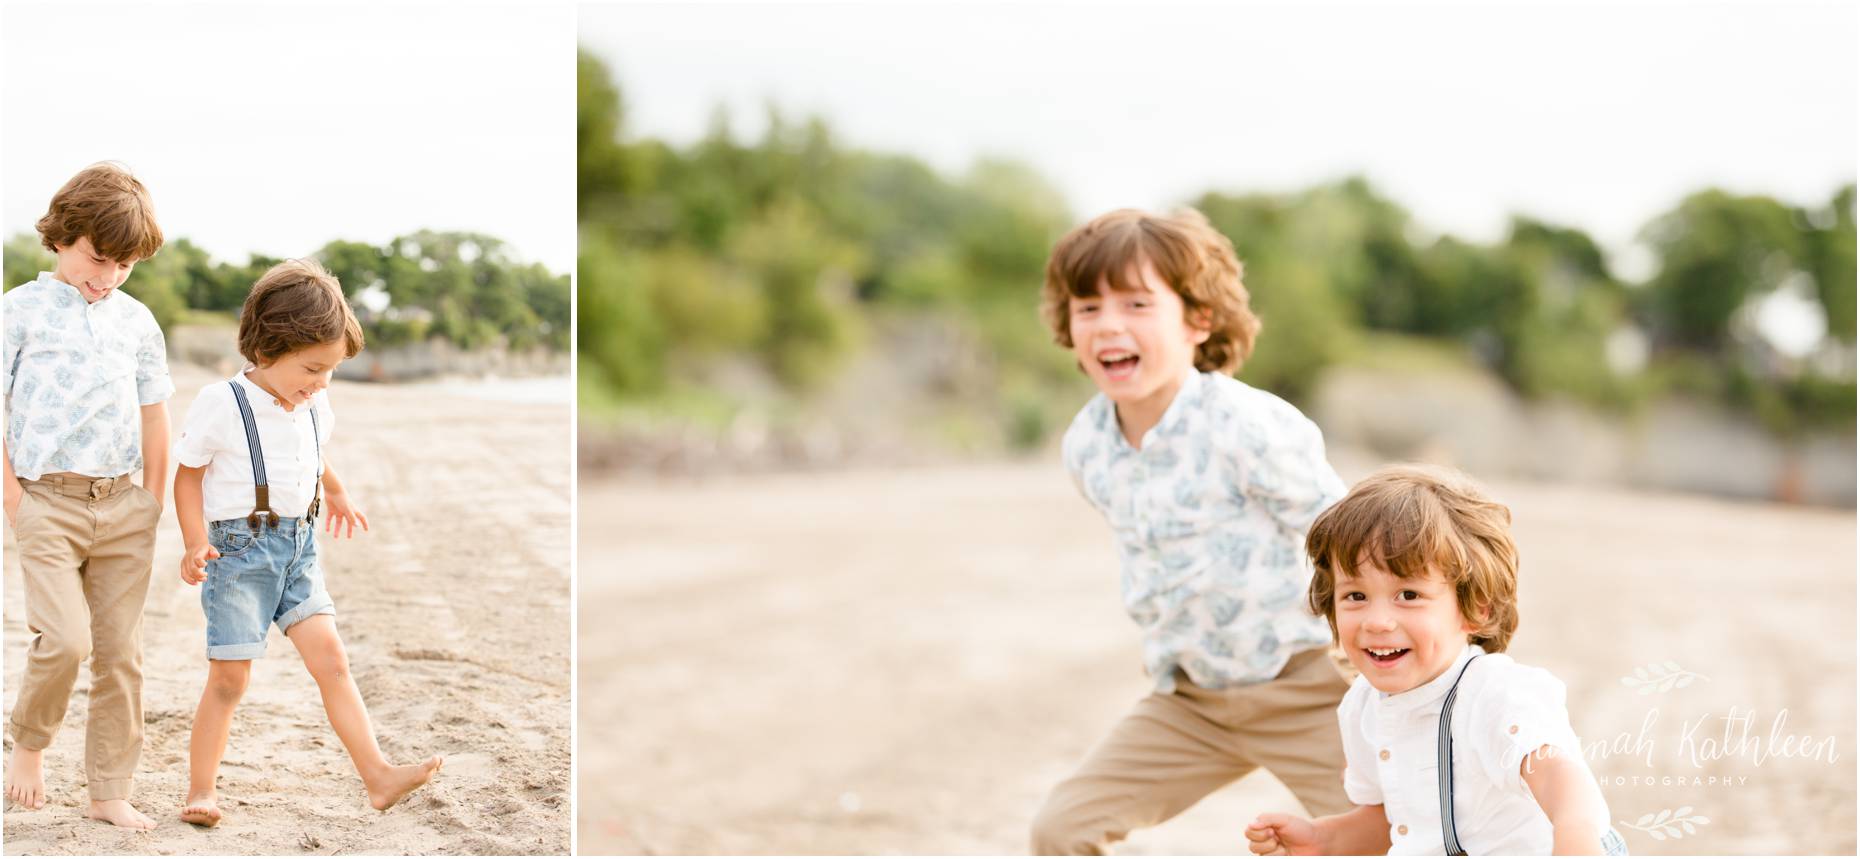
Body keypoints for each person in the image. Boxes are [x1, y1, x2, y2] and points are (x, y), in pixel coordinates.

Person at [1030, 208, 1354, 854]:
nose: (1109, 324)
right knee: (1060, 828)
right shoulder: (1087, 447)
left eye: (1138, 303)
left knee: (1411, 833)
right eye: (1087, 307)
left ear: (1197, 319)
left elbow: (1349, 538)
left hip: (1310, 689)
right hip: (1192, 701)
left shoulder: (1246, 425)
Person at [172, 259, 441, 826]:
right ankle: (202, 789)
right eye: (312, 367)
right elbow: (189, 474)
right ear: (267, 348)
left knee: (333, 660)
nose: (321, 383)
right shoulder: (222, 403)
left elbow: (312, 456)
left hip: (299, 549)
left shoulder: (315, 402)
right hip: (238, 554)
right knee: (229, 679)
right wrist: (194, 541)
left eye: (332, 371)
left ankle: (378, 775)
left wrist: (336, 490)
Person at [1245, 464, 1622, 855]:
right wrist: (1325, 838)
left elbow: (1563, 785)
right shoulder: (1362, 706)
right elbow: (1397, 823)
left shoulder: (1496, 694)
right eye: (1355, 596)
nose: (1377, 622)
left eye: (1408, 595)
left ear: (1476, 607)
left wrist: (1576, 843)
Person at [3, 162, 172, 829]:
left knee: (120, 654)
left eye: (124, 266)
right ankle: (30, 744)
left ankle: (108, 792)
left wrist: (153, 500)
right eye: (98, 258)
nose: (107, 277)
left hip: (124, 504)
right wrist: (12, 495)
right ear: (61, 237)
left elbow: (155, 411)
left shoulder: (137, 322)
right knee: (65, 639)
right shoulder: (18, 311)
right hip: (46, 500)